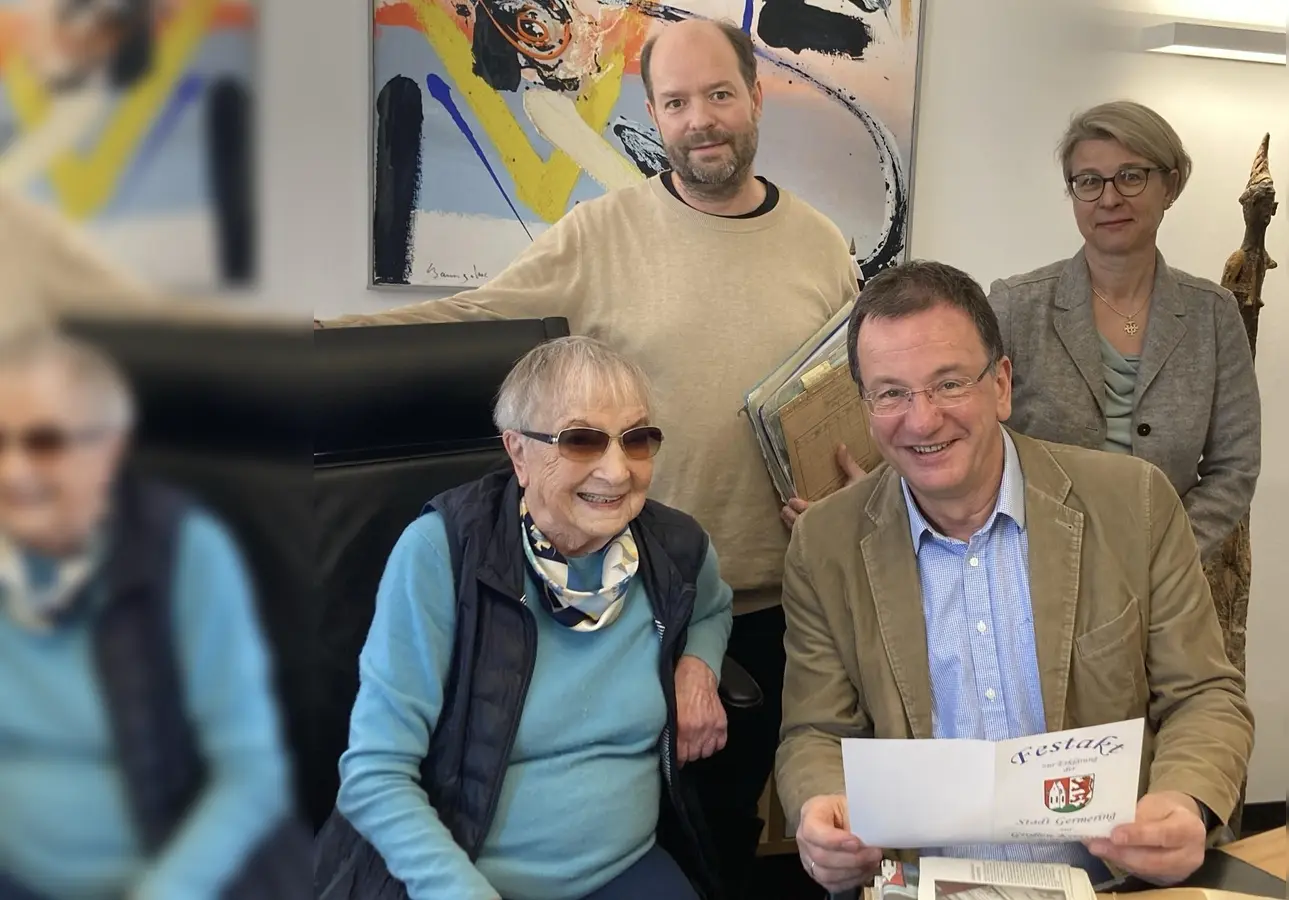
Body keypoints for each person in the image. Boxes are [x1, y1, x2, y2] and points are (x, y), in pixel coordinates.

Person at [320, 20, 860, 893]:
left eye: (718, 95)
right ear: (654, 114)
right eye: (675, 102)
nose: (699, 119)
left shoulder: (823, 245)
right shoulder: (602, 233)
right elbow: (472, 318)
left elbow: (850, 393)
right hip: (634, 592)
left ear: (757, 98)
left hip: (769, 601)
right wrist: (311, 343)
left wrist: (857, 488)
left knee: (723, 836)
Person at [774, 261, 1254, 894]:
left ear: (1001, 385)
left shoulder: (1134, 504)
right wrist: (820, 806)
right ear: (865, 408)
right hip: (920, 886)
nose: (922, 420)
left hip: (1109, 882)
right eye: (891, 393)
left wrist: (1183, 799)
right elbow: (815, 733)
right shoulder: (823, 545)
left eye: (949, 384)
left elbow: (1204, 696)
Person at [313, 336, 735, 900]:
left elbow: (713, 608)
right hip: (460, 877)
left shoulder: (675, 549)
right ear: (517, 452)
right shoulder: (441, 554)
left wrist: (699, 668)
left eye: (636, 439)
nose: (616, 471)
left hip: (625, 868)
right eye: (581, 440)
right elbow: (375, 775)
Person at [0, 329, 305, 899]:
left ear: (108, 450)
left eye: (44, 443)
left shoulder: (184, 552)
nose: (13, 472)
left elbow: (251, 775)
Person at [986, 100, 1261, 563]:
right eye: (1089, 181)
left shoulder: (1213, 314)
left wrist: (1165, 557)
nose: (1109, 199)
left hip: (1164, 576)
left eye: (1131, 176)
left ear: (1170, 185)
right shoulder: (1014, 306)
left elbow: (1235, 465)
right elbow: (973, 439)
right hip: (1034, 565)